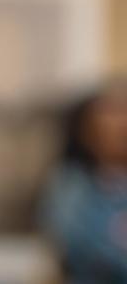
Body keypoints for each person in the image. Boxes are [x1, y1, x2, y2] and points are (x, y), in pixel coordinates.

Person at [40, 79, 127, 284]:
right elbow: (82, 247)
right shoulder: (71, 188)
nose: (122, 125)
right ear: (88, 130)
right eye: (112, 113)